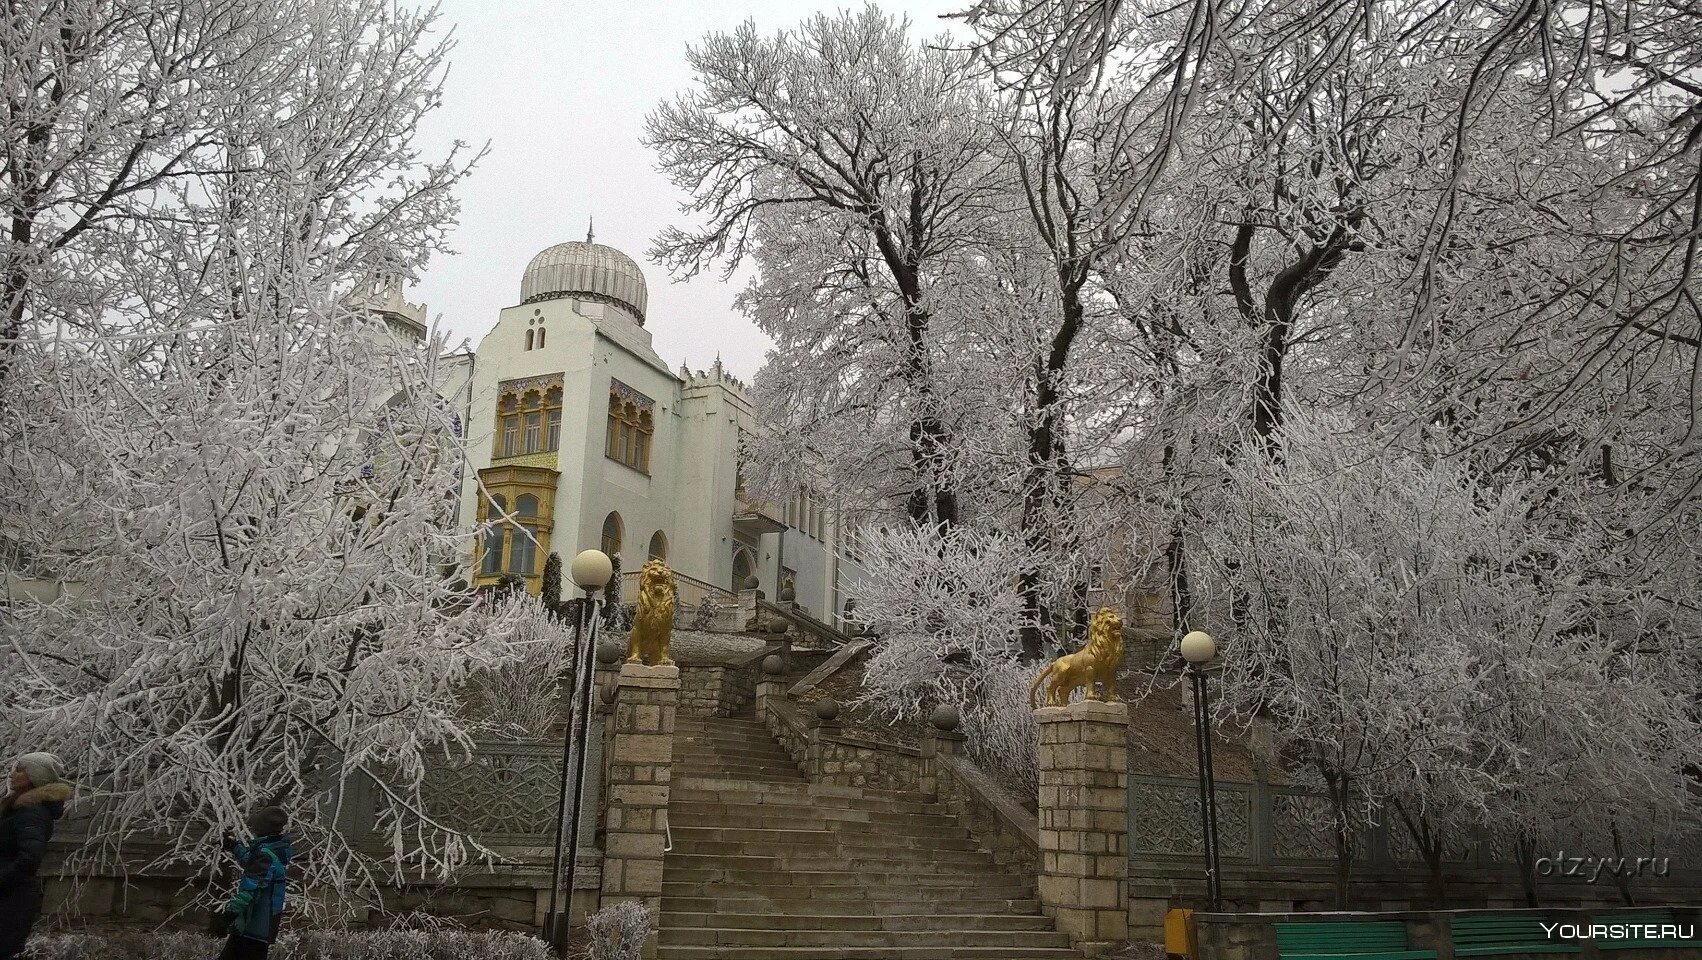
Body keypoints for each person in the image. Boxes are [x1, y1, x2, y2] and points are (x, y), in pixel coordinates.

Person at [0, 752, 72, 960]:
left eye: (21, 770)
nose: (13, 774)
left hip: (10, 901)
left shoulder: (31, 812)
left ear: (35, 778)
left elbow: (30, 858)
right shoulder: (18, 808)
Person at [218, 806, 293, 960]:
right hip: (258, 927)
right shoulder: (271, 851)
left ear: (261, 829)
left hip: (254, 927)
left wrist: (229, 913)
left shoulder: (265, 857)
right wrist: (235, 846)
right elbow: (254, 865)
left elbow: (250, 889)